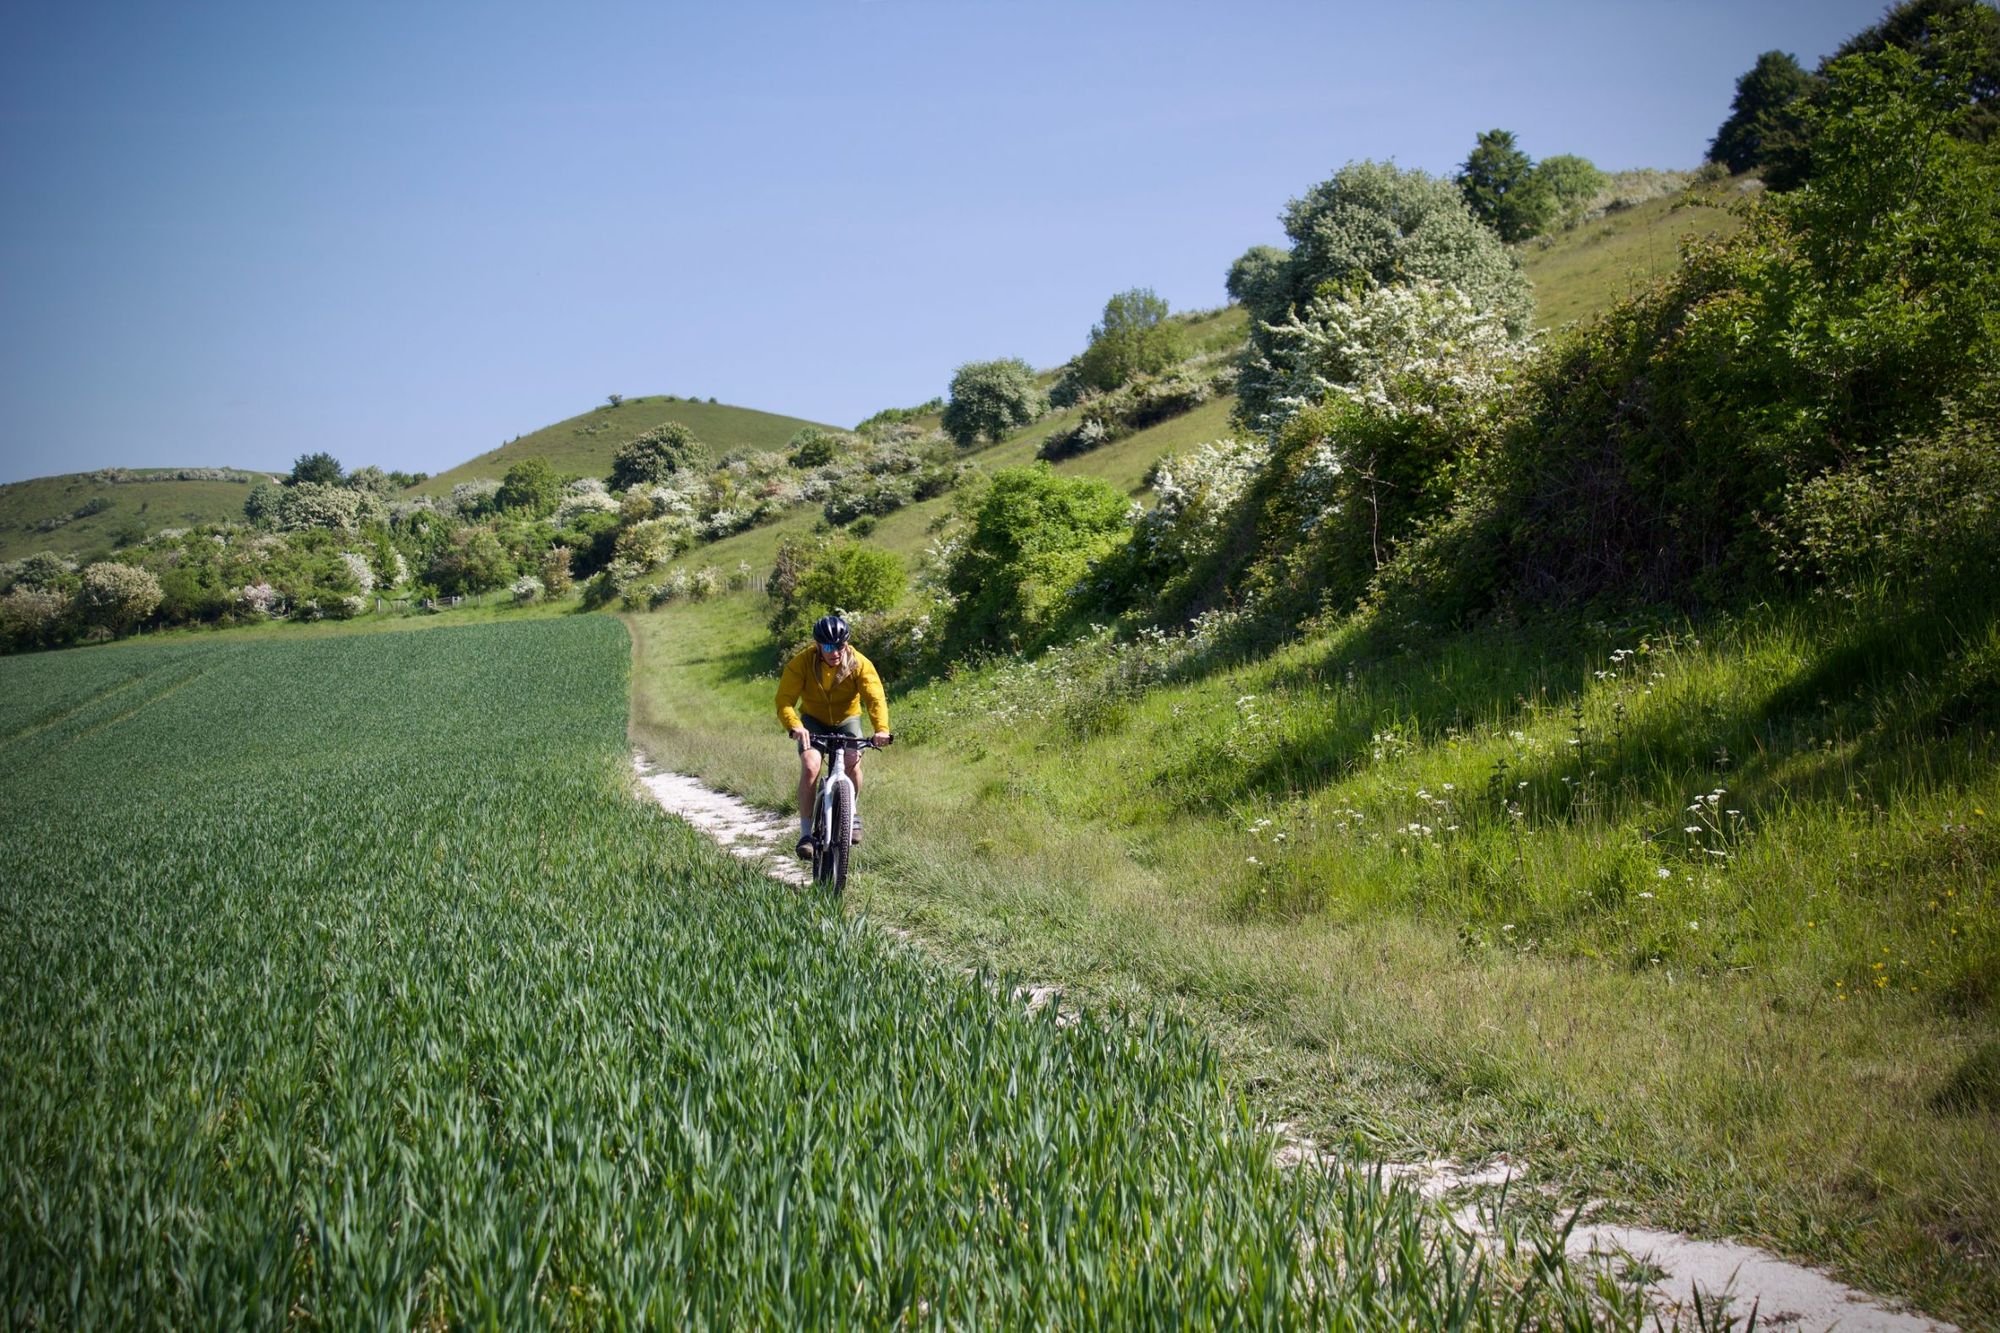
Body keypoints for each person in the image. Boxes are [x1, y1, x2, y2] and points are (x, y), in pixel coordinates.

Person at [775, 612, 891, 859]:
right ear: (818, 646)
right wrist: (795, 725)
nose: (835, 652)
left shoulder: (859, 663)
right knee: (810, 766)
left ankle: (852, 814)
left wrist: (881, 729)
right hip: (813, 722)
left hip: (847, 719)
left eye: (840, 645)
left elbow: (875, 698)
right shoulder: (802, 663)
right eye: (828, 646)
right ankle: (806, 833)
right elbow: (784, 700)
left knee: (852, 760)